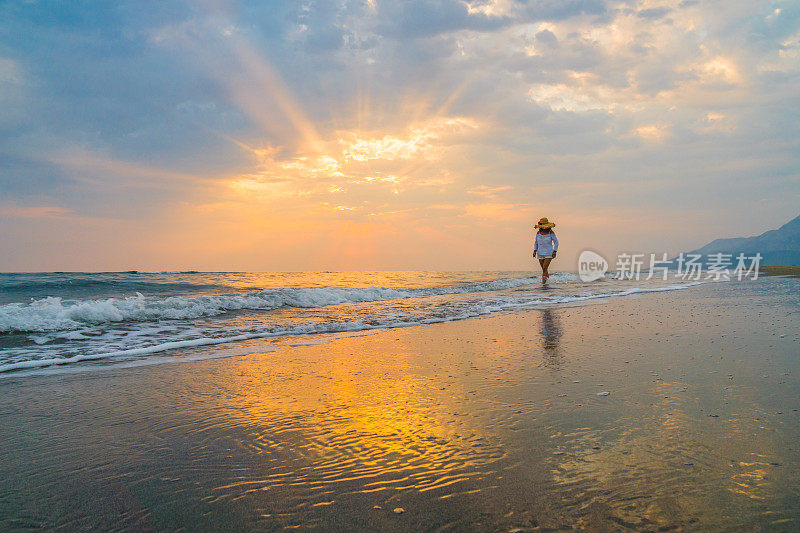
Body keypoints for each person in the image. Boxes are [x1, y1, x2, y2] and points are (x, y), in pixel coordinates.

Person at [532, 217, 558, 284]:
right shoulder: (538, 233)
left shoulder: (551, 232)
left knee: (544, 268)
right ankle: (547, 283)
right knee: (544, 269)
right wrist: (535, 250)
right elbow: (536, 242)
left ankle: (543, 283)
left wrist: (555, 251)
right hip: (540, 253)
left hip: (549, 253)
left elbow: (556, 242)